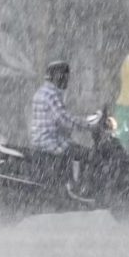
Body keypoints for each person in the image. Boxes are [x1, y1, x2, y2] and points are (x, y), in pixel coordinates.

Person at [30, 61, 93, 195]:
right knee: (87, 154)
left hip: (42, 138)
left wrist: (81, 121)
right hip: (49, 140)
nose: (67, 81)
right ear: (58, 77)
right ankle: (77, 188)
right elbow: (63, 119)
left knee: (74, 149)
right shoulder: (51, 94)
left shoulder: (42, 92)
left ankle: (70, 183)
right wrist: (87, 125)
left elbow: (61, 118)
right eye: (65, 77)